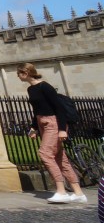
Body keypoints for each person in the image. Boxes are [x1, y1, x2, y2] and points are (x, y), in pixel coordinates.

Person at [17, 62, 87, 204]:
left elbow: (59, 108)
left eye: (19, 73)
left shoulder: (45, 87)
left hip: (53, 123)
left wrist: (62, 130)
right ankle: (78, 193)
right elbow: (36, 110)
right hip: (41, 122)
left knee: (45, 153)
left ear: (26, 72)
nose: (18, 76)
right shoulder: (31, 89)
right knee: (60, 158)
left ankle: (61, 191)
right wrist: (34, 128)